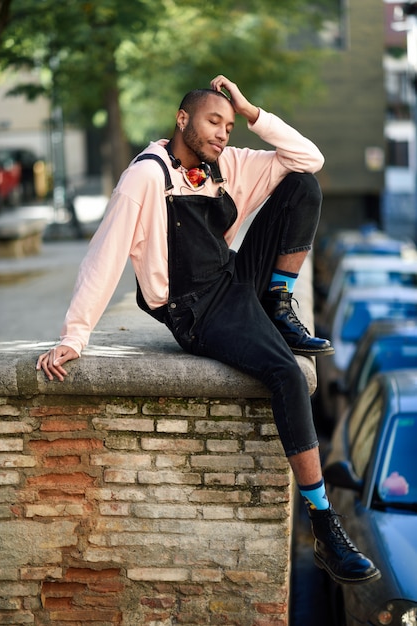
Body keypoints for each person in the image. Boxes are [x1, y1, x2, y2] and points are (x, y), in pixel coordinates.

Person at [37, 74, 380, 586]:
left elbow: (309, 159)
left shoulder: (227, 163)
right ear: (182, 120)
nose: (223, 132)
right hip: (195, 310)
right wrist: (74, 336)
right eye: (212, 121)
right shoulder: (146, 177)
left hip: (234, 279)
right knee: (286, 374)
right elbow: (103, 257)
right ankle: (325, 526)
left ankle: (278, 302)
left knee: (302, 185)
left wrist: (250, 110)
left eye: (228, 123)